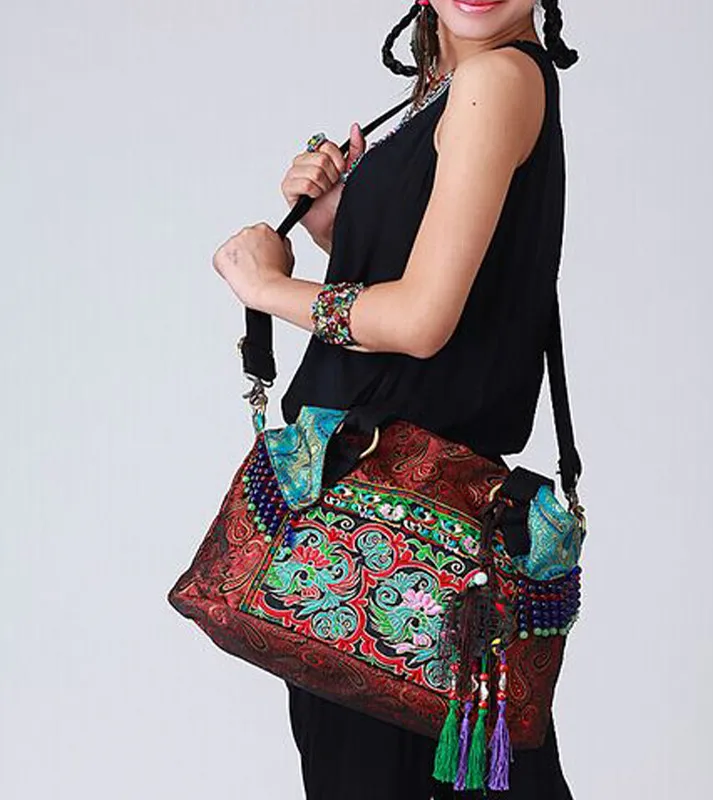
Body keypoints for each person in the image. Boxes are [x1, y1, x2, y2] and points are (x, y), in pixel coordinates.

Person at [211, 2, 580, 797]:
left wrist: (268, 287)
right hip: (387, 540)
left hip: (398, 546)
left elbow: (419, 321)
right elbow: (451, 294)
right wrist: (340, 226)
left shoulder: (496, 78)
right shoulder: (450, 87)